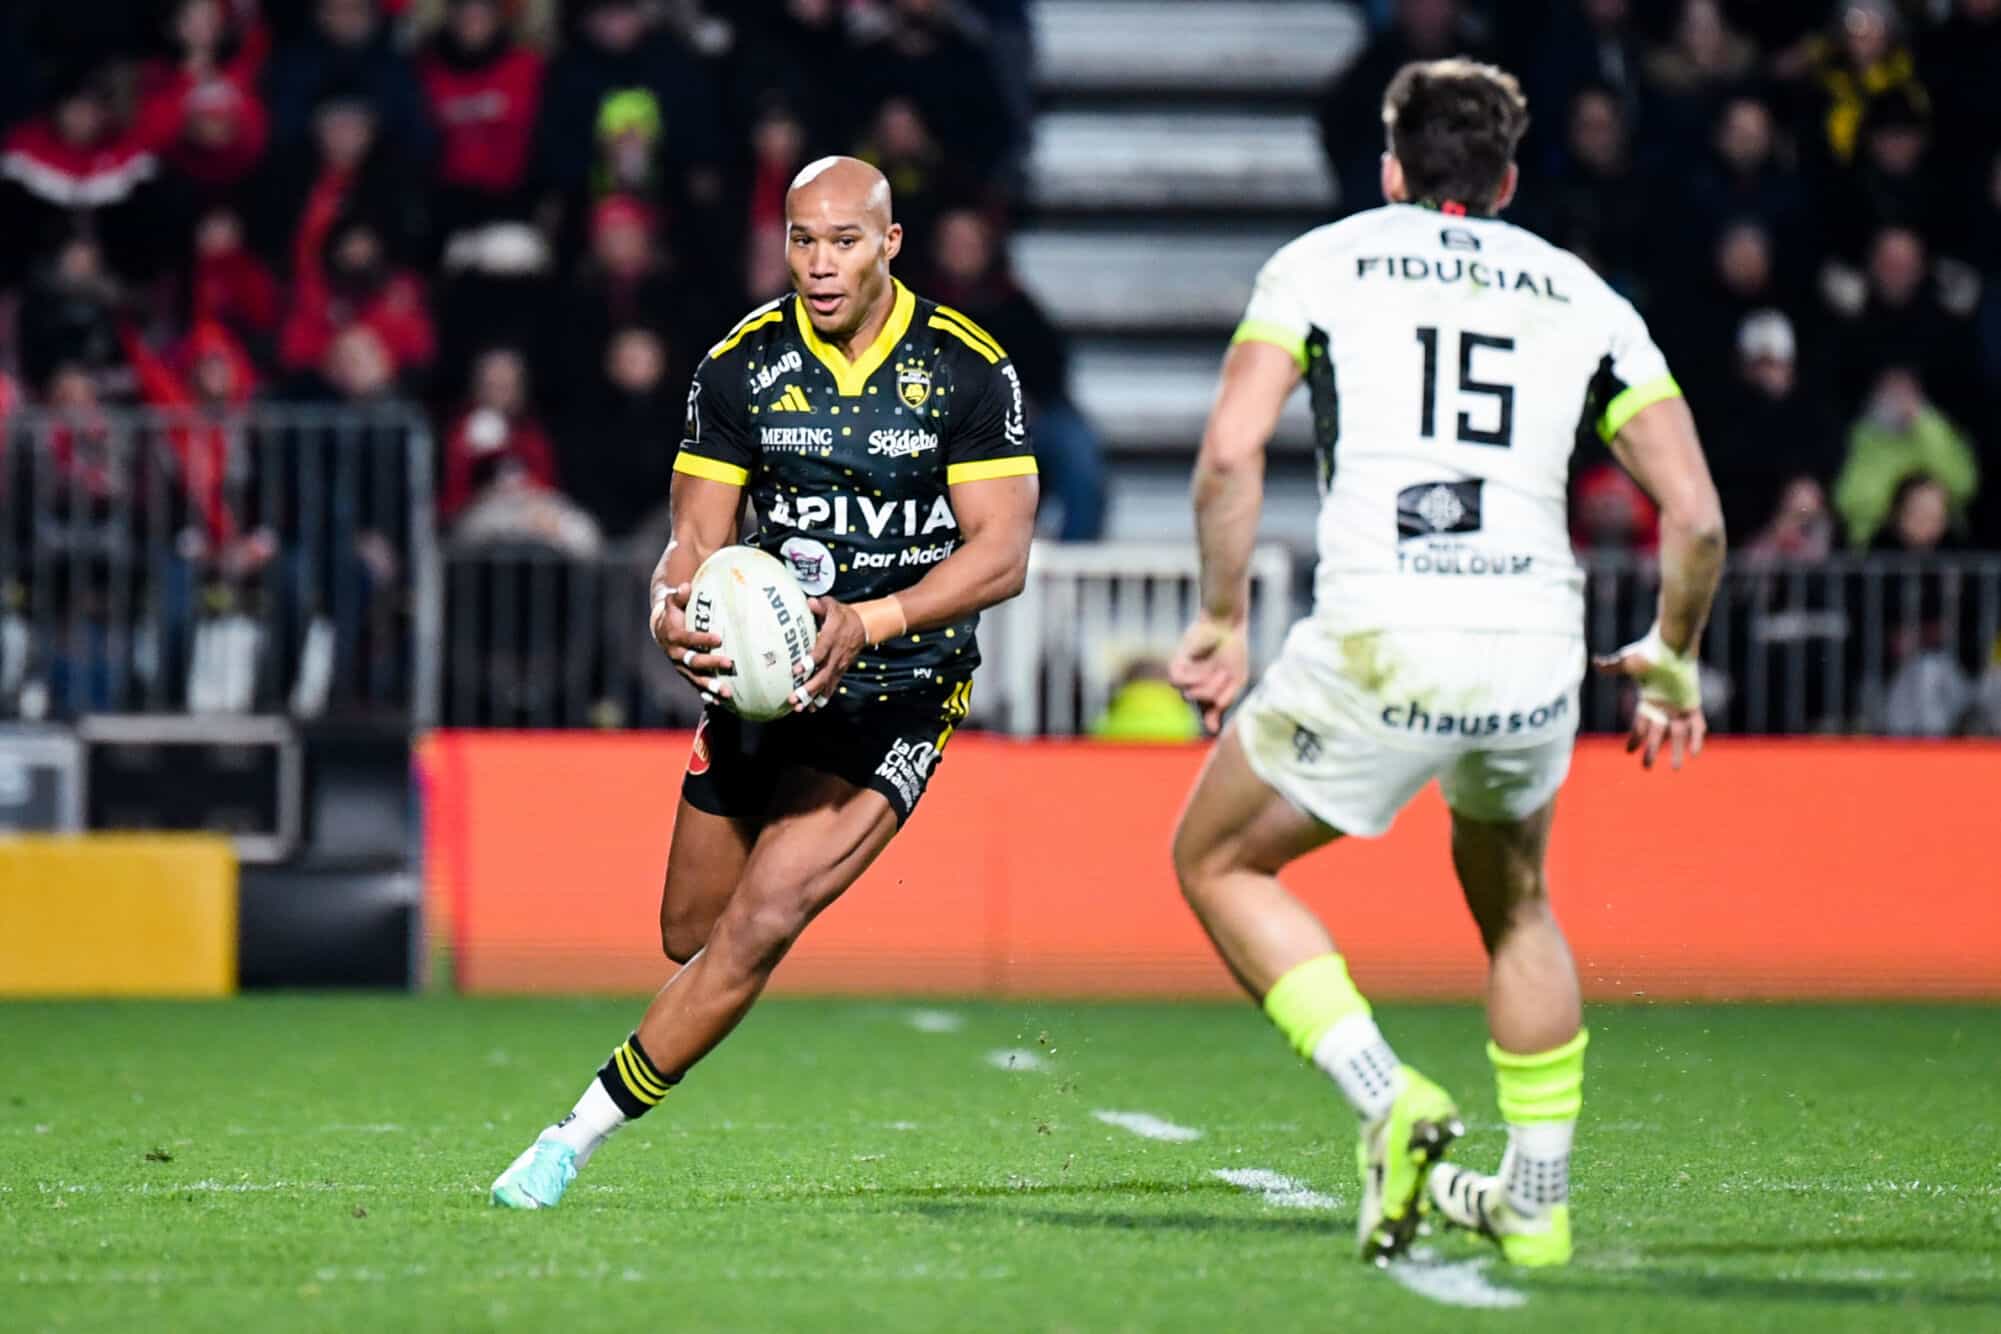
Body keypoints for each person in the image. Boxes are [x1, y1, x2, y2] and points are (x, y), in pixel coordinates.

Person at [1166, 60, 1725, 1268]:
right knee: (1517, 902)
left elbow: (1228, 454)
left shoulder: (1321, 263)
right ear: (1509, 180)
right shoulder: (1585, 296)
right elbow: (1697, 518)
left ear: (1390, 168)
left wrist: (1220, 616)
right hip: (1533, 645)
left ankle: (1387, 1094)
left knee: (1215, 858)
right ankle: (1537, 1197)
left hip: (1384, 627)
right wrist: (1672, 657)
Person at [489, 156, 1039, 1209]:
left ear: (889, 244)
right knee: (689, 933)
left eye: (844, 241)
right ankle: (667, 1038)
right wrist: (669, 607)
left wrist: (870, 621)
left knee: (762, 916)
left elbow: (1001, 553)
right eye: (802, 239)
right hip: (763, 684)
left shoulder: (966, 369)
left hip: (899, 690)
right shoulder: (741, 365)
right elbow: (692, 540)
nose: (820, 263)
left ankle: (568, 1140)